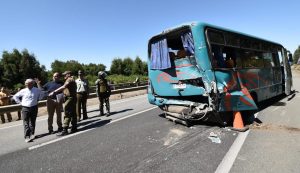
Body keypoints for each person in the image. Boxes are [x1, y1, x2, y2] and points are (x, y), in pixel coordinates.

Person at [49, 71, 77, 136]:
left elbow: (64, 86)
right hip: (72, 98)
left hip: (70, 98)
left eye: (65, 75)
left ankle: (65, 129)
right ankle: (74, 127)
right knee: (73, 113)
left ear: (69, 74)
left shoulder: (69, 79)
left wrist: (54, 92)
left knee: (67, 113)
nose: (63, 76)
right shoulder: (71, 79)